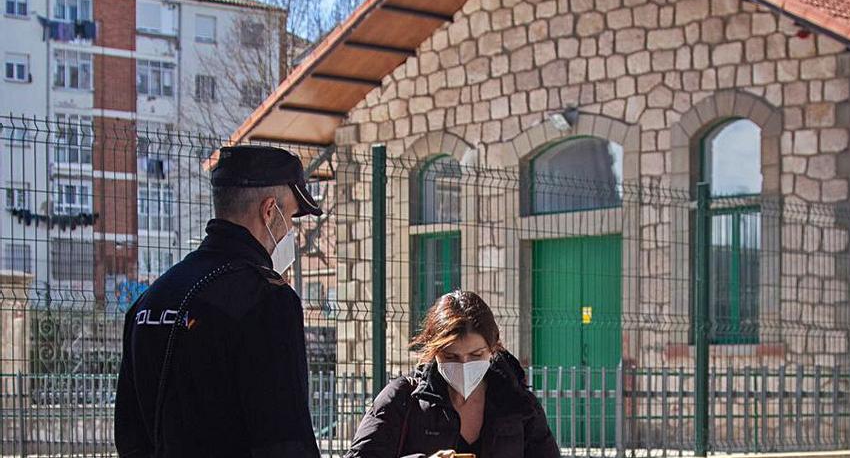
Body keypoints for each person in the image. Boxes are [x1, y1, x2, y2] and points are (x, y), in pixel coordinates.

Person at [114, 146, 323, 458]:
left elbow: (129, 434)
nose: (290, 230)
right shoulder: (266, 299)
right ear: (269, 211)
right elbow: (284, 438)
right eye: (291, 217)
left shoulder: (152, 298)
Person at [346, 290, 560, 458]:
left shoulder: (518, 404)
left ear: (493, 348)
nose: (464, 365)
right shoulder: (402, 399)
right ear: (433, 351)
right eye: (450, 357)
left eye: (476, 354)